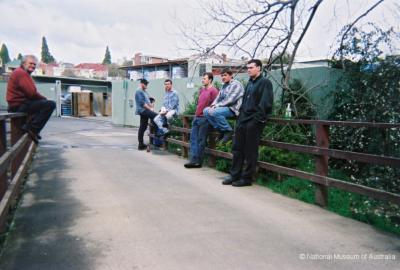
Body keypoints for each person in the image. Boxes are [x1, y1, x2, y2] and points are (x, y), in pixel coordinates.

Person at [222, 59, 273, 187]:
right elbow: (244, 102)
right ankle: (235, 175)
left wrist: (256, 121)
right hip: (242, 120)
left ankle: (247, 178)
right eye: (248, 68)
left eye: (251, 67)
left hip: (253, 122)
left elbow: (266, 104)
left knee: (250, 151)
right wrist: (239, 118)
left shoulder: (265, 83)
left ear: (259, 68)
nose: (248, 70)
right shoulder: (250, 83)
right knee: (237, 148)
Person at [7, 55, 56, 144]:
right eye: (30, 63)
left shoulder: (23, 73)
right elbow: (32, 93)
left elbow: (31, 93)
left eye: (34, 64)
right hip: (18, 105)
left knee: (42, 104)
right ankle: (32, 129)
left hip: (20, 104)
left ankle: (30, 127)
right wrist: (44, 99)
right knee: (50, 104)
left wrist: (42, 100)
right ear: (23, 63)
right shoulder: (21, 73)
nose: (33, 66)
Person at [184, 72, 219, 168]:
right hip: (196, 117)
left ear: (210, 80)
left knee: (201, 140)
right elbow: (199, 103)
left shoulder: (214, 91)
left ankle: (198, 161)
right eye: (202, 78)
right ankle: (193, 160)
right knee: (193, 139)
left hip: (205, 118)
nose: (202, 80)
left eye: (205, 78)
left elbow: (215, 106)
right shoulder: (202, 90)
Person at [203, 68, 244, 143]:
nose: (223, 77)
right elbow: (218, 98)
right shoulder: (224, 86)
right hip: (224, 108)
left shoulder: (236, 84)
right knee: (206, 111)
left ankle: (228, 130)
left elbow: (230, 100)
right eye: (222, 76)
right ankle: (221, 130)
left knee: (215, 112)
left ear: (231, 75)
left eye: (225, 75)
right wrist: (212, 106)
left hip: (233, 109)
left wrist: (217, 106)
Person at [135, 78, 157, 150]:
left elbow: (148, 102)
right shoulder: (139, 91)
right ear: (142, 84)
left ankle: (140, 145)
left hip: (145, 110)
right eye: (145, 84)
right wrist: (150, 109)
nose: (147, 85)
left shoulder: (145, 91)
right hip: (142, 110)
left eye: (147, 84)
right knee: (155, 116)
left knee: (143, 127)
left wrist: (152, 101)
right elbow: (142, 103)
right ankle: (157, 133)